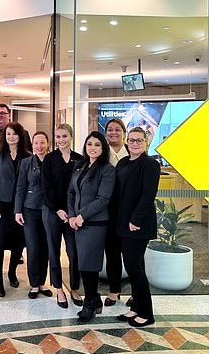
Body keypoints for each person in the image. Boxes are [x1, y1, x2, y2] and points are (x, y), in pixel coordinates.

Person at [68, 131, 115, 323]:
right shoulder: (80, 166)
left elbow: (103, 199)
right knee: (83, 262)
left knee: (89, 264)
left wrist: (81, 216)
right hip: (78, 222)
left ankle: (90, 303)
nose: (92, 148)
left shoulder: (107, 170)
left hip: (95, 223)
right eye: (89, 144)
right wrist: (72, 215)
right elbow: (71, 193)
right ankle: (95, 301)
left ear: (103, 148)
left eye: (97, 144)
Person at [116, 127, 160, 328]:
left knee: (135, 268)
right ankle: (136, 307)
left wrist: (136, 220)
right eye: (132, 140)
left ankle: (147, 313)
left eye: (139, 141)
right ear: (126, 142)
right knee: (134, 266)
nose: (134, 144)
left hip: (137, 224)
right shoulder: (123, 162)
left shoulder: (150, 164)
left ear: (145, 143)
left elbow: (147, 195)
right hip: (123, 222)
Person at [41, 124, 84, 308]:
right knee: (54, 251)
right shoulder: (49, 159)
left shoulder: (80, 160)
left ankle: (74, 287)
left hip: (73, 215)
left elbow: (82, 188)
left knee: (74, 253)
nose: (61, 140)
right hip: (53, 213)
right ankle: (58, 289)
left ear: (71, 137)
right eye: (57, 137)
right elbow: (46, 187)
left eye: (64, 136)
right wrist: (58, 209)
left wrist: (73, 212)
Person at [0, 122, 30, 297]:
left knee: (18, 243)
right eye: (8, 134)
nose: (11, 137)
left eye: (14, 134)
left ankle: (12, 272)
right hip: (0, 206)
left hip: (20, 207)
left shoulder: (28, 156)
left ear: (20, 136)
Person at [15, 131, 52, 300]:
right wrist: (17, 210)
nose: (39, 146)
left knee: (45, 247)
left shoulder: (53, 161)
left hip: (49, 210)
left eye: (42, 142)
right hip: (30, 210)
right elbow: (20, 187)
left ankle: (42, 282)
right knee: (33, 247)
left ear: (48, 144)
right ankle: (34, 284)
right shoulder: (26, 163)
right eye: (36, 143)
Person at [104, 118, 129, 307]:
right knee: (112, 253)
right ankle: (114, 292)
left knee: (132, 256)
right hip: (108, 213)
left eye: (117, 129)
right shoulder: (102, 154)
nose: (113, 132)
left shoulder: (132, 152)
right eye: (110, 129)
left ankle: (136, 292)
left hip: (128, 214)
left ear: (123, 132)